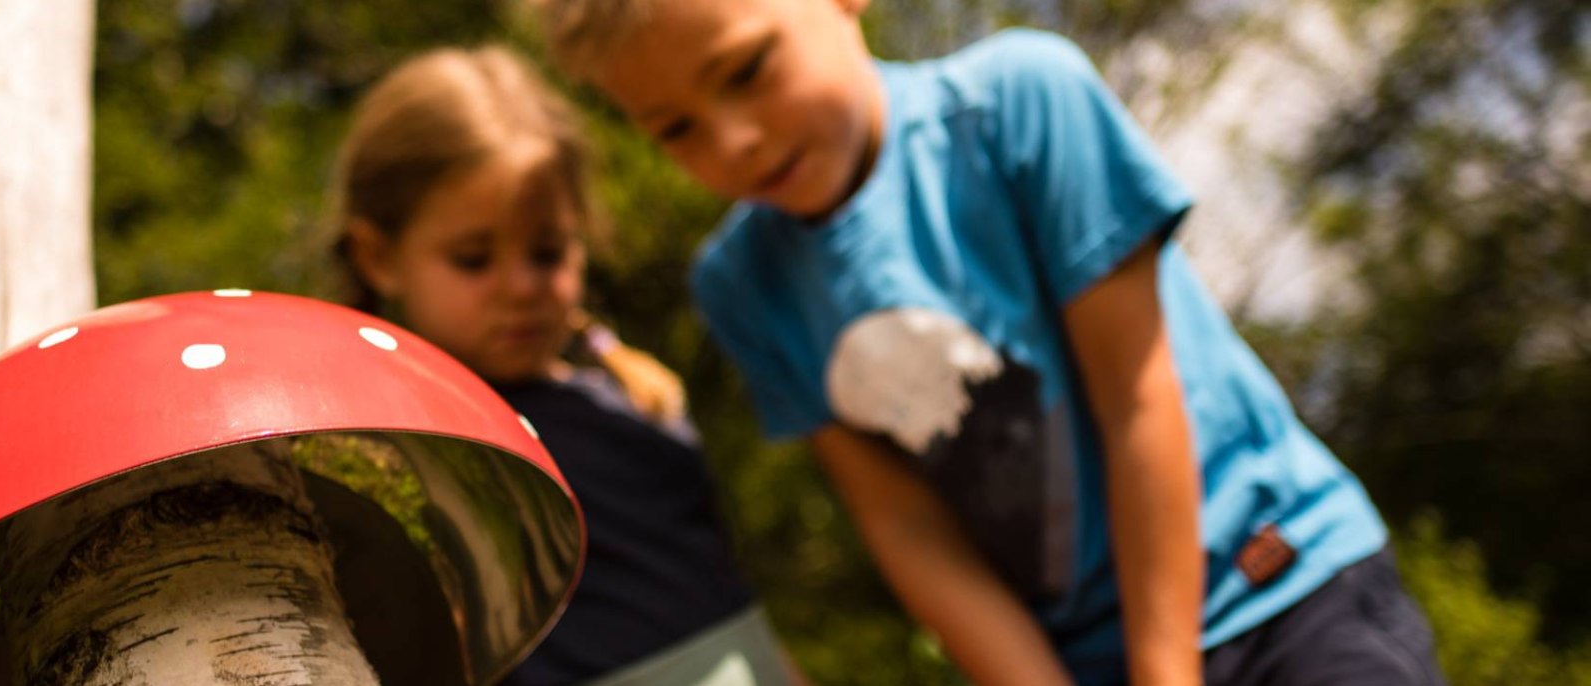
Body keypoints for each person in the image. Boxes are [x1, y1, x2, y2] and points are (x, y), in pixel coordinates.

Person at [523, 1, 1447, 684]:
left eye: (749, 69)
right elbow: (905, 524)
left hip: (1283, 586)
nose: (735, 139)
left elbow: (1137, 396)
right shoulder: (741, 287)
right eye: (675, 128)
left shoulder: (1020, 104)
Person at [322, 44, 801, 685]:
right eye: (473, 258)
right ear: (378, 257)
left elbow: (722, 595)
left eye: (547, 253)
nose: (521, 286)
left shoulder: (631, 396)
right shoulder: (392, 453)